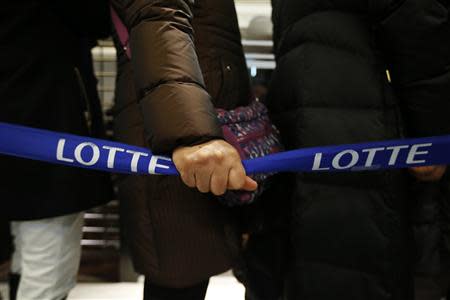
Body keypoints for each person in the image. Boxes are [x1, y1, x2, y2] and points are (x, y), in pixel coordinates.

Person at [242, 0, 450, 299]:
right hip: (367, 104)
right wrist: (430, 131)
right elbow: (418, 23)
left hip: (311, 102)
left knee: (313, 254)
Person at [110, 0, 257, 298]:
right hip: (178, 129)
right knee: (179, 271)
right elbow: (159, 12)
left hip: (194, 123)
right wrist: (189, 135)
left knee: (191, 265)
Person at [0, 2, 112, 299]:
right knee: (45, 272)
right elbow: (97, 19)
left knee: (26, 256)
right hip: (46, 123)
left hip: (22, 124)